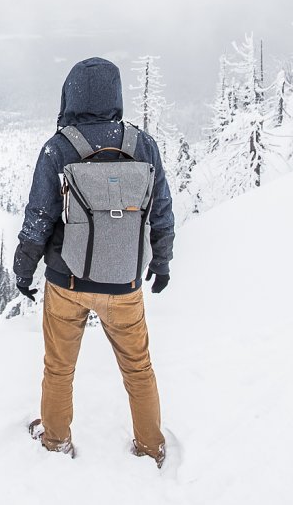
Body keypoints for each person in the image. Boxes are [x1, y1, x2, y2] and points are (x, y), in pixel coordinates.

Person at [13, 56, 176, 466]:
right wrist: (162, 262)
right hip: (124, 285)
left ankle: (55, 441)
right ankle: (150, 446)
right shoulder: (143, 145)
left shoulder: (59, 148)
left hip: (67, 283)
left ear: (69, 95)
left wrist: (24, 268)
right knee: (139, 369)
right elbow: (161, 211)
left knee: (59, 368)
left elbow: (39, 216)